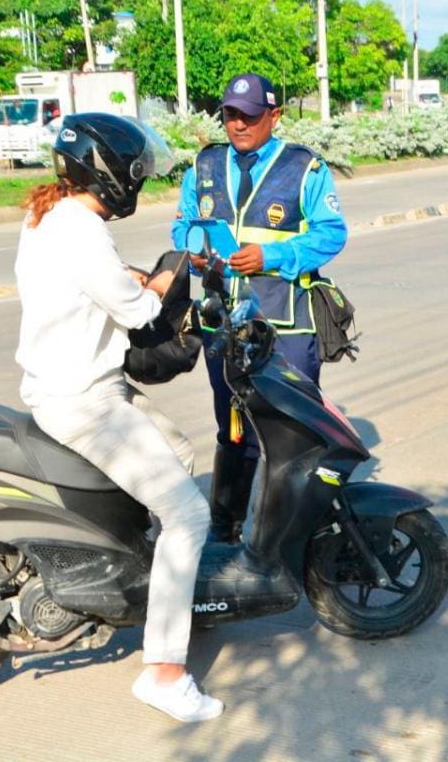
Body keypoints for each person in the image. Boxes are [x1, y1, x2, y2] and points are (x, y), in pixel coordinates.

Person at [14, 113, 222, 723]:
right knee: (189, 513)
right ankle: (164, 672)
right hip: (85, 400)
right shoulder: (80, 231)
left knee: (179, 452)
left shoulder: (52, 215)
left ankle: (165, 591)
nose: (139, 181)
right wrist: (166, 277)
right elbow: (136, 311)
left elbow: (96, 283)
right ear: (110, 175)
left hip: (77, 386)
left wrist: (137, 276)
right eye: (136, 172)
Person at [171, 73, 348, 543]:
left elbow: (332, 233)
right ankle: (225, 529)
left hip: (285, 325)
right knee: (232, 429)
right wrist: (194, 251)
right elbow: (182, 226)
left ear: (274, 116)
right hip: (223, 324)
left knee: (293, 431)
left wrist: (273, 257)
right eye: (230, 114)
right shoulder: (204, 166)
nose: (238, 124)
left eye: (249, 116)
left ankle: (299, 532)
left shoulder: (304, 168)